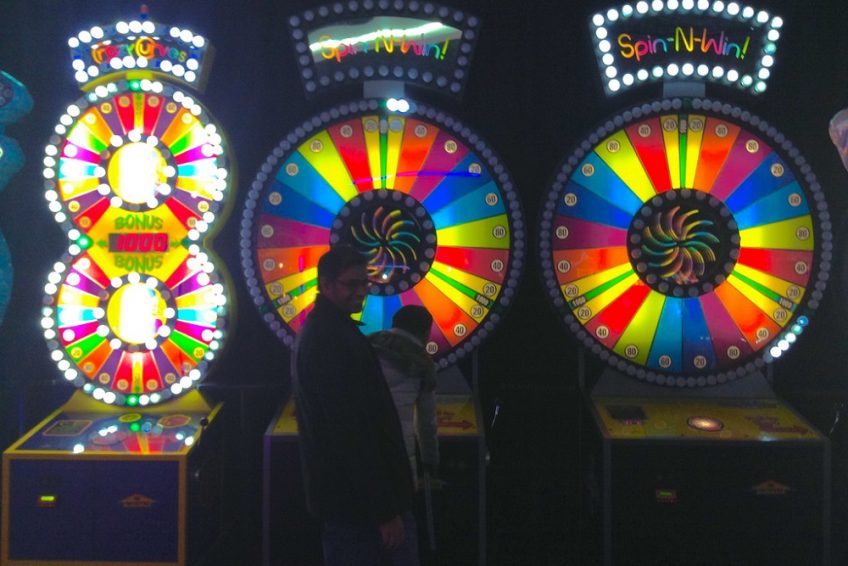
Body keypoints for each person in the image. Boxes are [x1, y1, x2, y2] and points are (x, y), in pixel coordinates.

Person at [291, 246, 414, 566]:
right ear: (326, 284)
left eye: (364, 283)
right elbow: (350, 433)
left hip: (351, 501)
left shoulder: (327, 329)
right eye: (352, 284)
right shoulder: (329, 339)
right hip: (357, 508)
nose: (361, 292)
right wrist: (384, 510)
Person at [369, 305, 439, 487]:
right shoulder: (424, 366)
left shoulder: (363, 349)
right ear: (425, 333)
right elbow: (426, 423)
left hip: (360, 447)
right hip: (399, 451)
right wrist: (430, 461)